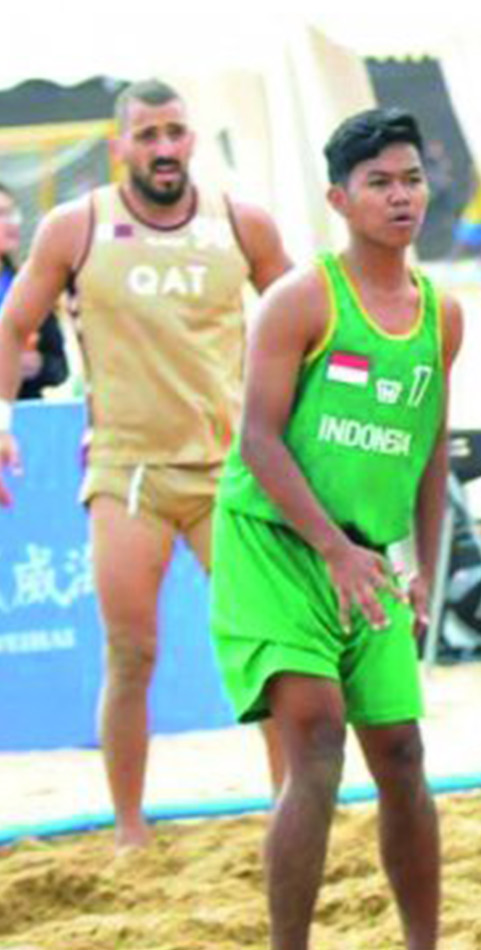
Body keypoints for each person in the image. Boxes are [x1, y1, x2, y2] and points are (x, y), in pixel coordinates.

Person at [0, 80, 293, 850]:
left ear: (193, 139)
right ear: (120, 145)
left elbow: (308, 319)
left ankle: (287, 811)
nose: (163, 148)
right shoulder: (77, 226)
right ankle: (130, 830)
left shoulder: (242, 223)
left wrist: (306, 422)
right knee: (131, 653)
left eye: (175, 132)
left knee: (270, 650)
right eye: (147, 134)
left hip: (229, 469)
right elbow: (12, 325)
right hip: (128, 470)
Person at [211, 107, 458, 950]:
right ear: (340, 199)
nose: (401, 197)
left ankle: (423, 942)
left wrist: (422, 564)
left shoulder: (440, 314)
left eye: (412, 179)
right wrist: (333, 550)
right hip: (278, 542)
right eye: (380, 183)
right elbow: (257, 440)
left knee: (401, 756)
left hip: (368, 555)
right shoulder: (301, 297)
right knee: (314, 738)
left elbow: (430, 453)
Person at [0, 183, 68, 400]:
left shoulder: (30, 283)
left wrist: (38, 365)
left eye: (13, 213)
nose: (13, 223)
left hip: (23, 416)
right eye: (1, 214)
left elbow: (59, 367)